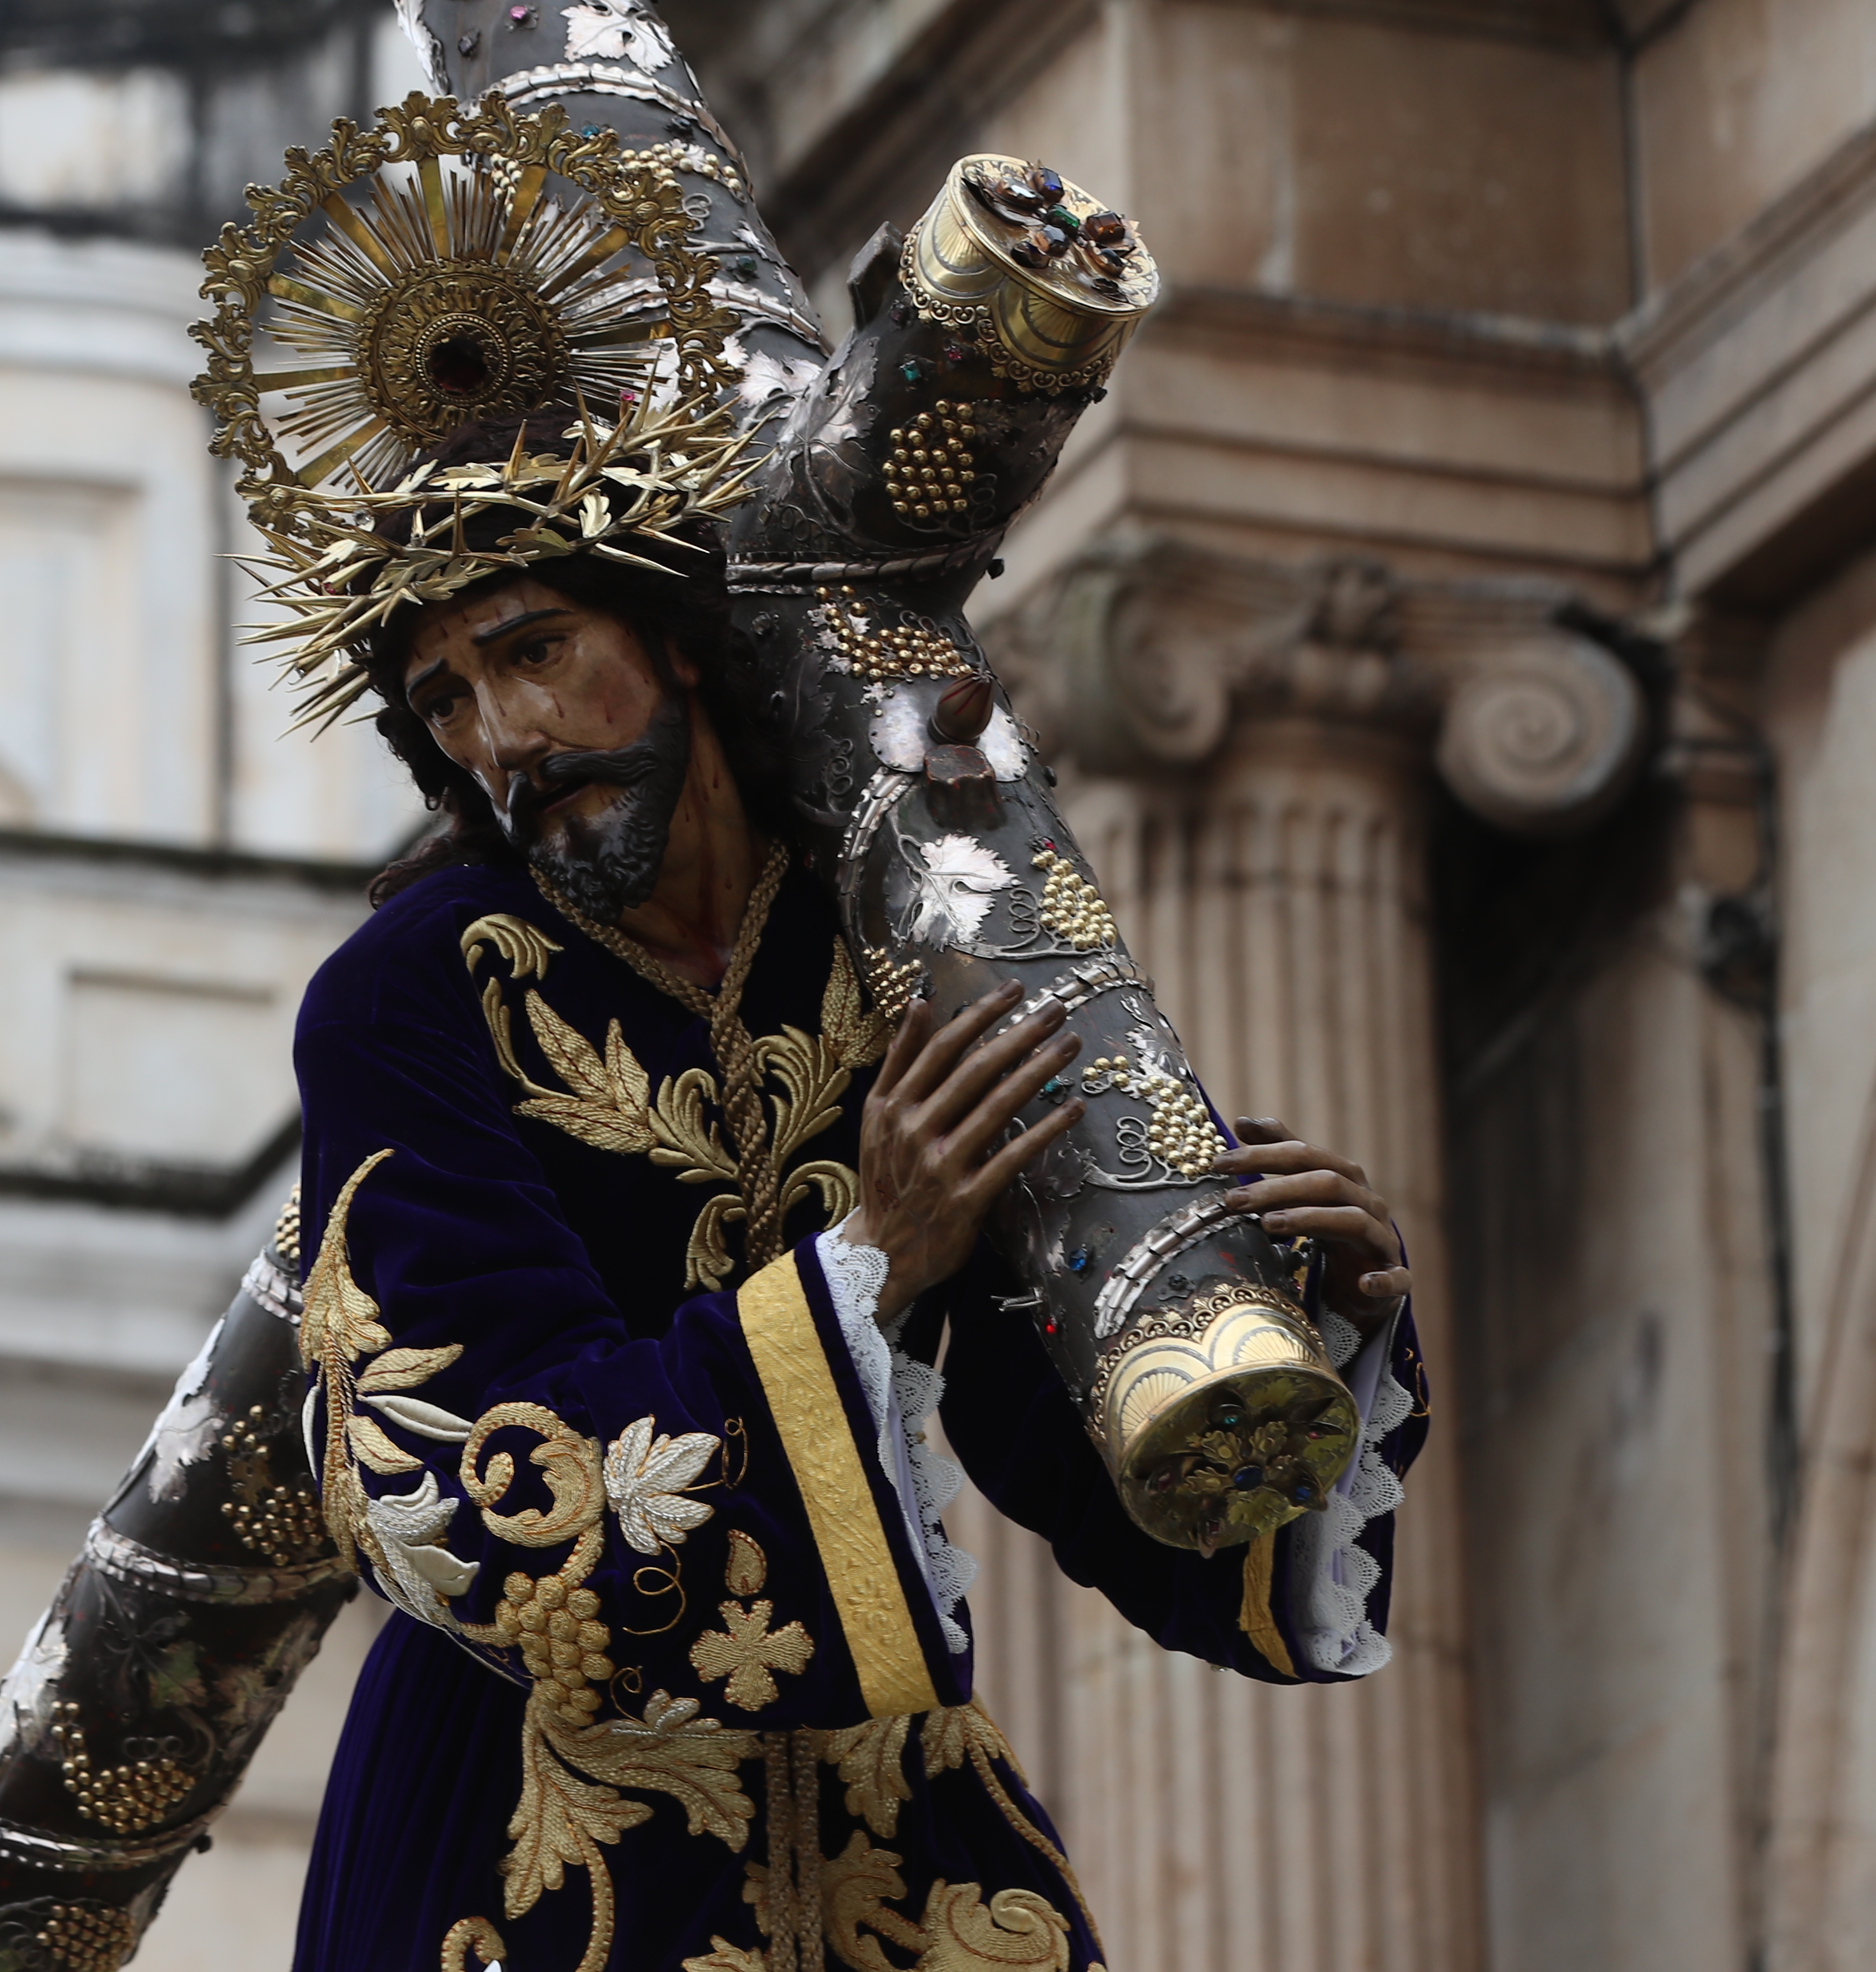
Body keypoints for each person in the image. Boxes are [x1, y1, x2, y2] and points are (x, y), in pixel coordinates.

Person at [286, 414, 1428, 1972]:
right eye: (450, 702)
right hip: (530, 1843)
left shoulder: (882, 927)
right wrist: (869, 1265)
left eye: (535, 650)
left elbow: (1051, 1392)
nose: (507, 734)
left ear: (675, 641)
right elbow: (451, 1477)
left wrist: (1289, 1328)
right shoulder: (410, 999)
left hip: (892, 1836)